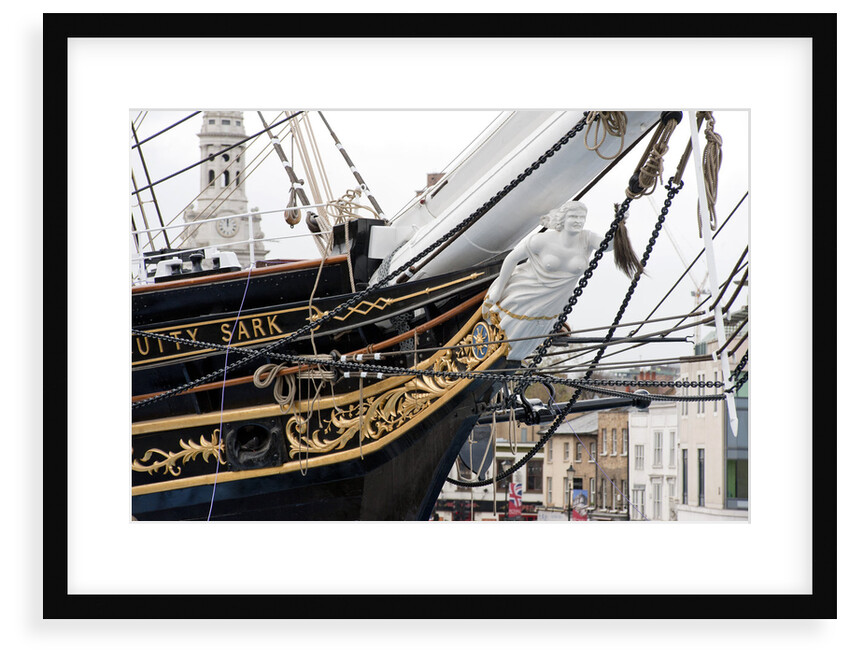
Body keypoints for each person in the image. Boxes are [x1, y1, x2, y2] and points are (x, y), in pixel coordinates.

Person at [482, 200, 617, 361]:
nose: (578, 221)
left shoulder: (587, 239)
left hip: (553, 303)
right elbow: (512, 258)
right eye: (573, 216)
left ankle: (508, 363)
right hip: (524, 295)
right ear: (563, 218)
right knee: (507, 337)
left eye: (582, 217)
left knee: (527, 341)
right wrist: (498, 289)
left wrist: (619, 225)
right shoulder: (543, 240)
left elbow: (608, 245)